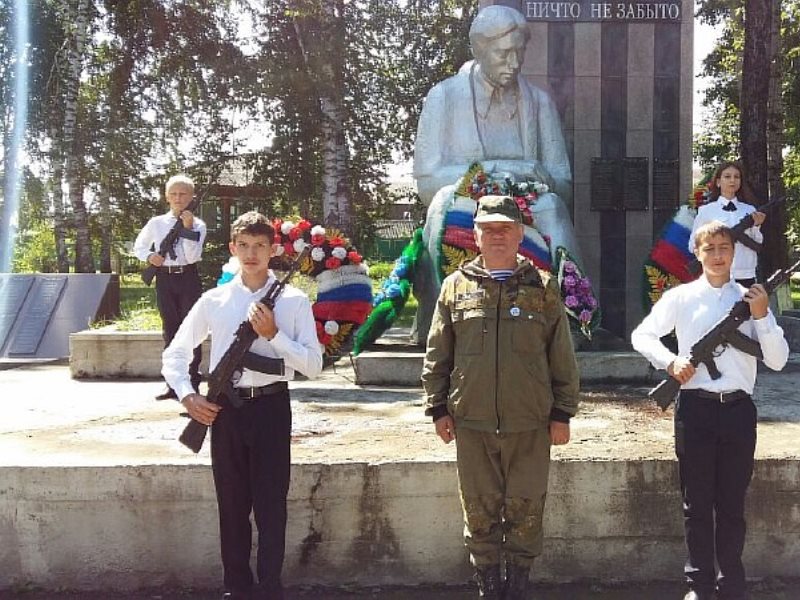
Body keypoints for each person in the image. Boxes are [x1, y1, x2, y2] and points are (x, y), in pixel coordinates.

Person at [421, 195, 580, 599]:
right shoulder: (455, 287)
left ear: (519, 234)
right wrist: (437, 407)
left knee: (526, 507)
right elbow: (438, 352)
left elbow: (560, 355)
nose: (496, 236)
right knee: (479, 507)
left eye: (504, 228)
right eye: (487, 229)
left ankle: (519, 583)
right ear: (475, 234)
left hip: (530, 422)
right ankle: (488, 584)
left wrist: (562, 412)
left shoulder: (542, 287)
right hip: (471, 421)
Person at [162, 211, 323, 600]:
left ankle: (270, 588)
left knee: (271, 507)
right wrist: (188, 395)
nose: (252, 254)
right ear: (233, 249)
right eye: (244, 246)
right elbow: (175, 354)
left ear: (273, 250)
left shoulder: (294, 301)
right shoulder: (214, 300)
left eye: (260, 246)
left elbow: (314, 366)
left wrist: (274, 335)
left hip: (271, 410)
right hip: (226, 412)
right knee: (231, 505)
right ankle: (236, 586)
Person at [631, 220, 789, 600]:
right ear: (698, 254)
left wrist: (763, 316)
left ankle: (731, 584)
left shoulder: (751, 300)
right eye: (710, 248)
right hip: (696, 411)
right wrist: (671, 363)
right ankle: (699, 586)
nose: (718, 255)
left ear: (733, 253)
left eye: (724, 248)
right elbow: (642, 335)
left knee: (732, 505)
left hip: (738, 412)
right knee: (696, 504)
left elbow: (778, 361)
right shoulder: (682, 298)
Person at [411, 4, 582, 343]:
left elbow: (564, 184)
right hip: (464, 205)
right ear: (478, 48)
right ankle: (439, 324)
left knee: (554, 209)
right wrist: (496, 170)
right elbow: (428, 182)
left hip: (527, 208)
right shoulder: (443, 98)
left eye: (520, 53)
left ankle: (570, 321)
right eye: (504, 54)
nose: (515, 63)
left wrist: (535, 177)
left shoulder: (539, 103)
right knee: (442, 204)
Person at [134, 174, 207, 399]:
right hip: (165, 279)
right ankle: (172, 383)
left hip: (188, 278)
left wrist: (186, 229)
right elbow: (140, 245)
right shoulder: (157, 223)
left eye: (183, 193)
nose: (178, 198)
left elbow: (193, 256)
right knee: (170, 329)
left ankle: (192, 382)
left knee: (192, 329)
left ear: (191, 197)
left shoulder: (198, 225)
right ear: (167, 197)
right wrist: (150, 256)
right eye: (174, 194)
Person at [688, 161, 766, 287]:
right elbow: (693, 244)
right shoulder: (707, 211)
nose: (732, 180)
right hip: (717, 275)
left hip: (745, 274)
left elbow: (757, 244)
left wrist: (756, 226)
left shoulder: (749, 210)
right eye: (727, 176)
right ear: (718, 182)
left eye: (737, 177)